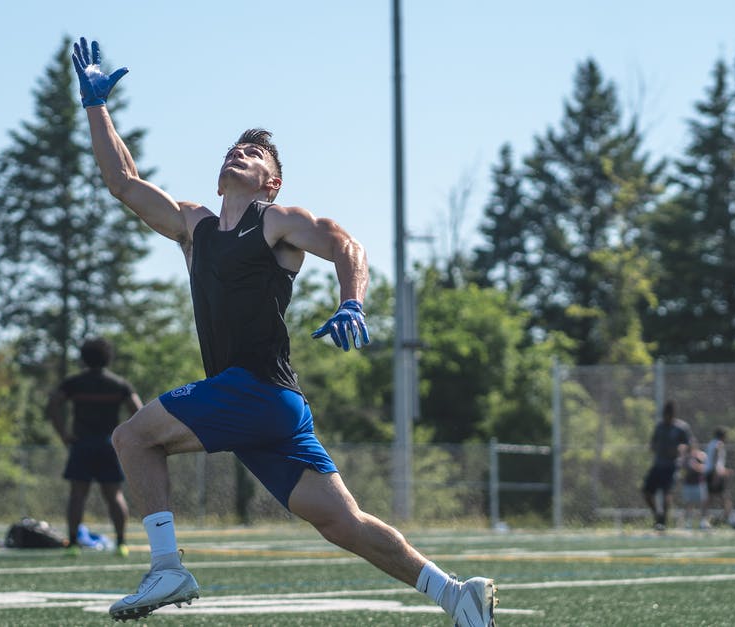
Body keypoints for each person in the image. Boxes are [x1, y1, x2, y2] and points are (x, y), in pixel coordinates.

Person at [70, 37, 496, 625]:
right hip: (266, 405)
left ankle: (166, 566)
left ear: (271, 183)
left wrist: (352, 302)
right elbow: (122, 181)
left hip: (256, 390)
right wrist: (96, 106)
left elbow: (344, 242)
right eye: (233, 149)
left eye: (254, 154)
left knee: (131, 438)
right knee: (342, 522)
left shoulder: (275, 222)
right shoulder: (193, 225)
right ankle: (456, 594)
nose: (238, 154)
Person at [47, 337, 143, 557]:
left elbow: (53, 404)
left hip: (81, 444)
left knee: (77, 495)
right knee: (114, 495)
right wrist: (126, 437)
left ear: (83, 358)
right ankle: (121, 543)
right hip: (108, 445)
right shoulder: (119, 384)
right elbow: (139, 411)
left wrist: (63, 434)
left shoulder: (74, 383)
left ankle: (72, 544)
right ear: (108, 358)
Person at [642, 400, 693, 531]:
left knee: (667, 493)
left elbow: (689, 445)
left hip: (672, 466)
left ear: (673, 415)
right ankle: (657, 516)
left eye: (669, 415)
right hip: (658, 465)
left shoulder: (681, 428)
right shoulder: (659, 427)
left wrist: (681, 449)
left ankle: (663, 522)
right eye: (665, 415)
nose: (667, 417)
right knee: (646, 492)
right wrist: (653, 447)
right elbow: (652, 444)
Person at [700, 426, 735, 530]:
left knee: (710, 498)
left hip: (711, 473)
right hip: (714, 474)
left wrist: (723, 470)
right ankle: (732, 521)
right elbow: (715, 459)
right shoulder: (718, 444)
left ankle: (704, 521)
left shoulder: (711, 443)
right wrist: (716, 474)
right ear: (723, 436)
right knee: (724, 497)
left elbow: (713, 461)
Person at [679, 446, 707, 530]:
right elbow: (681, 468)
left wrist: (696, 465)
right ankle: (689, 523)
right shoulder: (685, 458)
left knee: (702, 504)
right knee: (689, 504)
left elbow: (704, 467)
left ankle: (703, 522)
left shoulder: (700, 456)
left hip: (698, 484)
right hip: (688, 484)